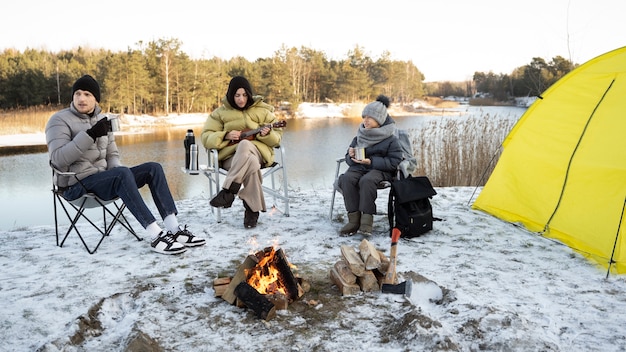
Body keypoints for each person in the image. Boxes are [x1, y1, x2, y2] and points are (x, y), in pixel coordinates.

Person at [46, 74, 205, 255]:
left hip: (103, 181)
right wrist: (90, 135)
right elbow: (58, 159)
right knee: (122, 174)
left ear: (96, 99)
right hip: (75, 186)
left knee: (153, 168)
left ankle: (175, 230)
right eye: (78, 94)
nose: (82, 98)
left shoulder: (102, 120)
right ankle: (156, 235)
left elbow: (112, 154)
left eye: (88, 94)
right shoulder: (58, 120)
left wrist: (117, 169)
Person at [200, 76, 283, 228]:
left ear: (249, 95)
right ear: (231, 95)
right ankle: (252, 210)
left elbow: (277, 138)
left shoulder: (263, 111)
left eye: (244, 95)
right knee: (250, 163)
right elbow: (205, 137)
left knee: (245, 145)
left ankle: (228, 192)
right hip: (231, 158)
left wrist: (266, 134)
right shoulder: (219, 114)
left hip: (258, 153)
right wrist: (225, 135)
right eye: (237, 95)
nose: (241, 99)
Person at [336, 95, 403, 235]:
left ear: (379, 120)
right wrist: (351, 155)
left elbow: (395, 161)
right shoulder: (360, 135)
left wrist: (372, 162)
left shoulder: (391, 139)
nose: (365, 120)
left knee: (366, 181)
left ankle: (366, 222)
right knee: (346, 179)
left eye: (369, 117)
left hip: (380, 170)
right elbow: (348, 159)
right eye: (364, 117)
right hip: (359, 167)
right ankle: (353, 220)